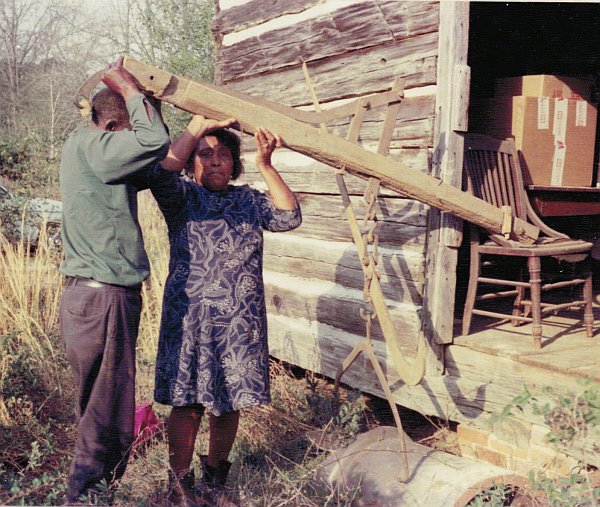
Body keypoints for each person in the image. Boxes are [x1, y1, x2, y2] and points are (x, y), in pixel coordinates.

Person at [149, 119, 302, 506]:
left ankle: (215, 478)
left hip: (239, 322)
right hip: (189, 318)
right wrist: (194, 127)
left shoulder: (249, 200)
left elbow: (288, 216)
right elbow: (161, 175)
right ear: (192, 164)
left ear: (234, 164)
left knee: (229, 399)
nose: (215, 161)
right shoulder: (181, 197)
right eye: (205, 154)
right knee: (187, 402)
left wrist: (267, 165)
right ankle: (180, 484)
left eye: (224, 155)